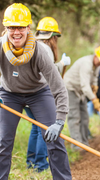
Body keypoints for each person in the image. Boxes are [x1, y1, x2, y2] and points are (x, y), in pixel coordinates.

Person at [0, 3, 71, 179]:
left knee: (55, 141)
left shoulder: (39, 51)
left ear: (28, 28)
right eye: (12, 27)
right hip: (9, 93)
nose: (16, 32)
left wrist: (59, 122)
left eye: (21, 27)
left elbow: (59, 88)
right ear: (6, 28)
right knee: (3, 142)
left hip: (39, 93)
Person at [24, 16, 71, 172]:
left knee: (36, 127)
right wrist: (62, 64)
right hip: (36, 93)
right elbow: (47, 74)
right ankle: (40, 166)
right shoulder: (45, 49)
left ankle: (31, 163)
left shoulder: (33, 44)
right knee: (45, 128)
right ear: (52, 37)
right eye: (56, 37)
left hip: (24, 92)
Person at [63, 45, 100, 149]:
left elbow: (94, 78)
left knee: (84, 117)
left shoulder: (97, 66)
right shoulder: (86, 64)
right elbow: (85, 86)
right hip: (71, 88)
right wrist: (94, 99)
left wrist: (95, 86)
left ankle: (84, 143)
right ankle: (76, 145)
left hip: (81, 92)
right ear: (96, 56)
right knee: (74, 117)